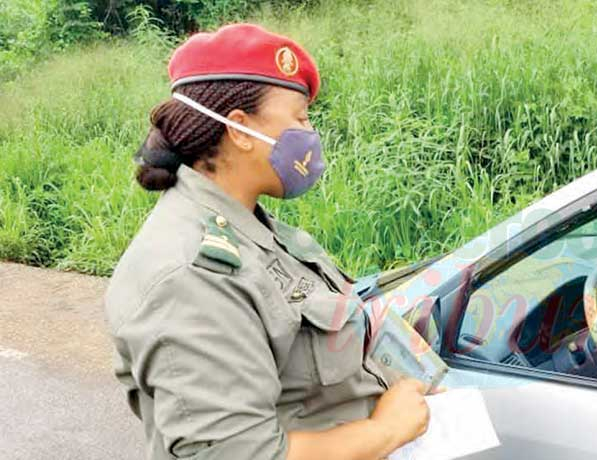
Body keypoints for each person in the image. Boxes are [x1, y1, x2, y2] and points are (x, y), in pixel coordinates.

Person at [104, 24, 428, 460]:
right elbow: (239, 454)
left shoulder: (252, 229)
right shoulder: (191, 277)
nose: (310, 133)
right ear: (239, 129)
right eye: (299, 118)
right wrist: (386, 431)